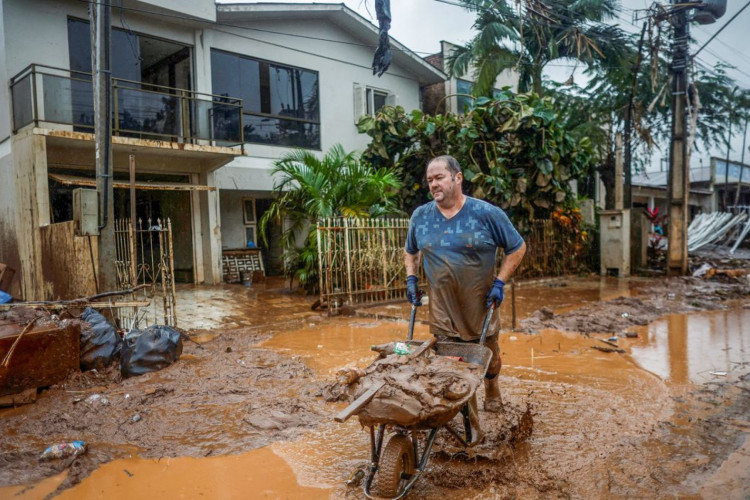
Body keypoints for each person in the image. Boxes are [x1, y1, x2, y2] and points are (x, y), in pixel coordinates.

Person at [403, 155, 526, 443]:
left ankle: (492, 388)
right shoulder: (420, 216)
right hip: (443, 311)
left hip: (481, 305)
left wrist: (500, 282)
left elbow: (517, 248)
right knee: (455, 369)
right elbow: (411, 250)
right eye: (430, 179)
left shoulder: (486, 214)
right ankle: (472, 429)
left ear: (458, 178)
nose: (433, 184)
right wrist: (411, 278)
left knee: (489, 359)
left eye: (439, 177)